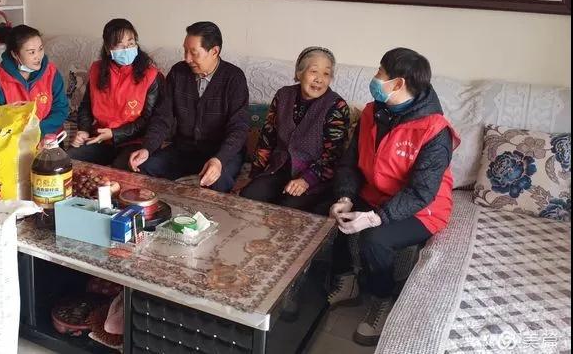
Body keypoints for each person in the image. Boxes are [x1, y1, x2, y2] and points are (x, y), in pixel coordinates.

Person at [325, 48, 460, 346]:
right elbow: (350, 162)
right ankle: (346, 281)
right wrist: (345, 196)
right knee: (333, 212)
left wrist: (376, 217)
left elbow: (422, 192)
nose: (374, 77)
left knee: (376, 239)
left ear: (397, 83)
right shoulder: (373, 112)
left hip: (423, 208)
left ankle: (382, 299)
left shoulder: (435, 131)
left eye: (380, 72)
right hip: (376, 192)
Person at [129, 21, 249, 192]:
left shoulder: (234, 78)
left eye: (194, 53)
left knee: (218, 182)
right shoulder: (178, 72)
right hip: (184, 149)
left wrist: (219, 159)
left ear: (214, 51)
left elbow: (239, 128)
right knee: (144, 167)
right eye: (185, 51)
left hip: (221, 152)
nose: (187, 58)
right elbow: (163, 117)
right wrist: (147, 148)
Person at [240, 47, 350, 211]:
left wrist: (307, 180)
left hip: (315, 178)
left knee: (287, 210)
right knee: (249, 196)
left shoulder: (337, 106)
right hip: (278, 169)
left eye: (326, 74)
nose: (319, 79)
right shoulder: (283, 95)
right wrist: (255, 175)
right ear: (299, 73)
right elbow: (267, 139)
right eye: (314, 71)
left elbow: (334, 156)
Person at [68, 18, 161, 170]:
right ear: (107, 48)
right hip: (101, 138)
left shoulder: (151, 75)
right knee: (69, 160)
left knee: (121, 169)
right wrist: (83, 129)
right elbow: (86, 105)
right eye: (120, 45)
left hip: (135, 141)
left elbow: (148, 120)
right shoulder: (97, 70)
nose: (127, 49)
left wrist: (115, 133)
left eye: (131, 43)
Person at [0, 24, 68, 138]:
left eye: (40, 49)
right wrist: (19, 133)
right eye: (32, 52)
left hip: (49, 137)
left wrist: (37, 131)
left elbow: (61, 108)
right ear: (15, 54)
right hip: (12, 140)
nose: (38, 56)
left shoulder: (51, 73)